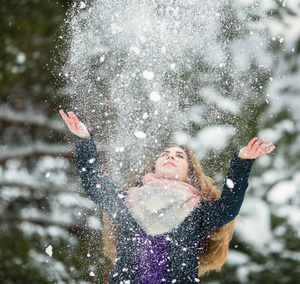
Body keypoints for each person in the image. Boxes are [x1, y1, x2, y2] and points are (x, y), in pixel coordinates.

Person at [60, 110, 275, 284]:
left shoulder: (196, 210)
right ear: (155, 165)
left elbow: (228, 207)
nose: (170, 156)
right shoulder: (129, 202)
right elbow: (94, 184)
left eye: (179, 156)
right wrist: (84, 140)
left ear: (189, 172)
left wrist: (242, 162)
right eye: (165, 154)